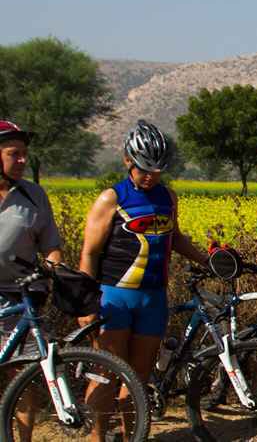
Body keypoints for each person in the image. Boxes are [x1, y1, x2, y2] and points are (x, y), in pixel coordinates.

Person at [79, 121, 208, 440]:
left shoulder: (168, 197)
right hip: (115, 297)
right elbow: (90, 253)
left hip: (153, 299)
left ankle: (133, 436)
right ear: (127, 161)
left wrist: (209, 261)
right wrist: (85, 300)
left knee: (137, 380)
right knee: (107, 375)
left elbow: (175, 238)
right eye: (143, 170)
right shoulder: (111, 198)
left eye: (157, 170)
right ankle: (97, 437)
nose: (150, 177)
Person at [0, 121, 63, 442]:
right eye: (15, 154)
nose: (23, 160)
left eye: (25, 154)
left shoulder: (34, 195)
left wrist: (51, 269)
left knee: (22, 377)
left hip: (20, 299)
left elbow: (52, 246)